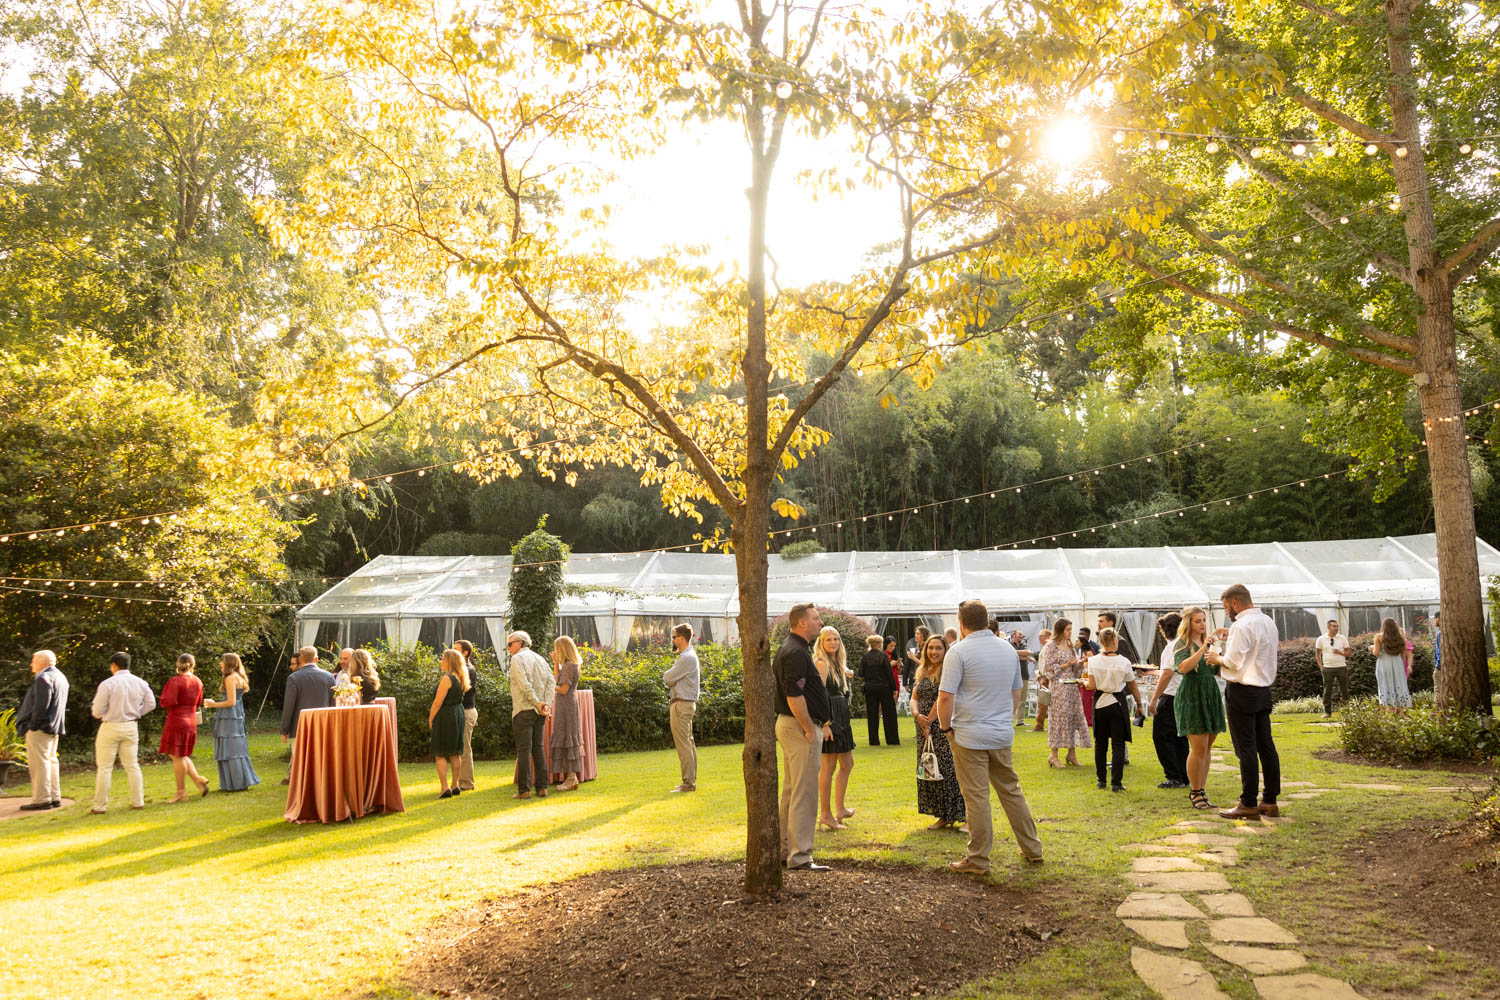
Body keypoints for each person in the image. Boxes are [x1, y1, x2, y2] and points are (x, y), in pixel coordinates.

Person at [936, 599, 1043, 873]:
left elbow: (946, 696)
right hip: (1000, 733)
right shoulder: (1007, 649)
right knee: (1011, 791)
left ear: (961, 623)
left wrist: (946, 728)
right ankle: (1033, 848)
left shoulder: (958, 651)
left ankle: (978, 858)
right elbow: (1016, 692)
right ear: (987, 620)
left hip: (969, 734)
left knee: (976, 797)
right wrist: (1005, 719)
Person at [1204, 584, 1282, 819]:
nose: (1227, 612)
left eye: (1226, 607)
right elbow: (1255, 650)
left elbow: (1234, 662)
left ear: (1235, 603)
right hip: (1263, 690)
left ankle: (1248, 802)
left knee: (1245, 748)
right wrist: (1230, 636)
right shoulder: (1267, 622)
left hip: (1242, 691)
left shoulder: (1241, 625)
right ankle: (1269, 800)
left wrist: (1215, 657)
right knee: (1266, 746)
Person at [774, 603, 831, 872]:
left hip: (792, 726)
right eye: (816, 618)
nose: (821, 622)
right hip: (799, 728)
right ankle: (799, 857)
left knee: (793, 791)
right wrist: (809, 728)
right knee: (804, 793)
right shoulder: (795, 652)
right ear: (802, 623)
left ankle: (786, 850)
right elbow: (793, 695)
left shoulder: (796, 648)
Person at [1171, 606, 1225, 810]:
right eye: (1198, 621)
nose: (1202, 624)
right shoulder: (1182, 644)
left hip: (1209, 692)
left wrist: (1220, 652)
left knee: (1208, 746)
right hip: (1192, 694)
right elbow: (1182, 668)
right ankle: (1194, 792)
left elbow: (1218, 669)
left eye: (1203, 620)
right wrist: (1203, 650)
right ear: (1189, 623)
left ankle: (1202, 789)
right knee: (1198, 746)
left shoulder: (1209, 643)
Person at [89, 651, 155, 814]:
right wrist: (137, 712)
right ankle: (138, 801)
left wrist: (100, 714)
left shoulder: (107, 684)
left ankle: (99, 806)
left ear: (114, 665)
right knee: (132, 765)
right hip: (130, 726)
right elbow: (151, 703)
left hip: (110, 725)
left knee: (105, 767)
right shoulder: (140, 682)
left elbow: (97, 710)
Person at [911, 633, 964, 831]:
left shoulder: (947, 670)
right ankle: (942, 815)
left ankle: (959, 814)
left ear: (945, 650)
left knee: (947, 770)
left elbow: (943, 697)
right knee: (930, 770)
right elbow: (914, 697)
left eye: (938, 648)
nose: (934, 652)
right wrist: (918, 716)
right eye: (930, 648)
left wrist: (930, 721)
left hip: (941, 726)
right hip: (923, 726)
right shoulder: (923, 670)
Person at [1083, 629, 1141, 793]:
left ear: (1101, 642)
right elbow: (1133, 685)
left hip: (1100, 703)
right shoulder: (1124, 662)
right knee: (1118, 744)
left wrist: (1084, 683)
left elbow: (1092, 686)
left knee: (1100, 744)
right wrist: (1140, 704)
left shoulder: (1093, 660)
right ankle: (1116, 783)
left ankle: (1101, 780)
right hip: (1117, 704)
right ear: (1115, 641)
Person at [813, 626, 856, 831]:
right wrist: (825, 723)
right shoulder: (821, 664)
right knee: (828, 767)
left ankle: (840, 810)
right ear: (821, 643)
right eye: (828, 640)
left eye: (835, 639)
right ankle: (825, 814)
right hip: (830, 719)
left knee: (847, 764)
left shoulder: (837, 663)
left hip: (842, 719)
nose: (832, 643)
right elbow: (818, 695)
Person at [16, 650, 68, 812]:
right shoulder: (60, 677)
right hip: (54, 727)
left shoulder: (43, 679)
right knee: (51, 762)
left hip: (41, 728)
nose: (31, 664)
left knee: (39, 764)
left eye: (33, 661)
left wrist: (33, 725)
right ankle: (54, 796)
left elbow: (41, 706)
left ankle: (42, 799)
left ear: (42, 663)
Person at [507, 630, 554, 800]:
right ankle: (542, 788)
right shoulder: (541, 659)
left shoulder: (517, 659)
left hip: (524, 709)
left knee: (524, 750)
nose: (508, 648)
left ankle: (524, 790)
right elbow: (551, 681)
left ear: (520, 643)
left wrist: (538, 703)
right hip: (539, 710)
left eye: (510, 644)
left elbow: (523, 683)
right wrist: (545, 704)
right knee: (538, 748)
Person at [203, 653, 260, 793]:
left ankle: (235, 783)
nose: (220, 664)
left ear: (228, 663)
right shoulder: (238, 677)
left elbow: (231, 702)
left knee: (230, 749)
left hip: (229, 717)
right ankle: (237, 782)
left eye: (222, 661)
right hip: (235, 716)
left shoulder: (230, 678)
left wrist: (213, 704)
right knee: (236, 749)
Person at [1145, 613, 1190, 790]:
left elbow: (1167, 674)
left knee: (1162, 736)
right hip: (1182, 695)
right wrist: (1151, 673)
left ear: (1165, 630)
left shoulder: (1171, 647)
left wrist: (1154, 698)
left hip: (1171, 696)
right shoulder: (1184, 645)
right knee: (1180, 737)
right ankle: (1184, 775)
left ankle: (1173, 776)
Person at [279, 646, 335, 784]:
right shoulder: (329, 677)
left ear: (300, 659)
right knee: (321, 755)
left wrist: (284, 729)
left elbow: (289, 705)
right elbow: (333, 703)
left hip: (300, 724)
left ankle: (300, 784)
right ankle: (320, 781)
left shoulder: (294, 678)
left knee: (299, 757)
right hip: (323, 724)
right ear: (316, 659)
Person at [159, 654, 209, 802]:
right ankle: (198, 780)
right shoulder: (198, 681)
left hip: (177, 720)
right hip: (190, 720)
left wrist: (163, 698)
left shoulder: (175, 681)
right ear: (193, 665)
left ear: (178, 664)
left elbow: (169, 701)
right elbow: (199, 701)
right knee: (179, 754)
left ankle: (181, 791)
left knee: (176, 755)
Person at [1039, 619, 1089, 767]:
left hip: (1072, 687)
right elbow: (1047, 669)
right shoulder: (1051, 646)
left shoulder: (1070, 645)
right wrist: (1064, 665)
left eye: (1070, 629)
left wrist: (1079, 664)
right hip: (1058, 688)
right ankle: (1053, 755)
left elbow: (1075, 670)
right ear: (1060, 630)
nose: (1070, 632)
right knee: (1059, 719)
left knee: (1073, 718)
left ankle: (1071, 753)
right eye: (1067, 629)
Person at [663, 623, 700, 793]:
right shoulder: (687, 656)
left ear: (682, 638)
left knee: (684, 744)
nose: (673, 640)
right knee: (688, 742)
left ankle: (688, 783)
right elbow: (671, 679)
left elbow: (668, 677)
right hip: (684, 703)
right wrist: (673, 679)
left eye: (674, 636)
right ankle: (689, 780)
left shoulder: (686, 658)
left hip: (681, 704)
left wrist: (673, 679)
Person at [429, 649, 469, 798]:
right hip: (458, 713)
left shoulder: (447, 679)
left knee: (440, 752)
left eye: (442, 659)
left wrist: (431, 718)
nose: (440, 661)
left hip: (445, 715)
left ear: (449, 661)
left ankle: (445, 787)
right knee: (455, 751)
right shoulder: (461, 677)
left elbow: (437, 702)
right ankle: (455, 784)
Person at [550, 636, 585, 790]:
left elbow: (563, 689)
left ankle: (571, 778)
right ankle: (570, 778)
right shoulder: (570, 665)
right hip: (567, 704)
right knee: (565, 737)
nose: (556, 652)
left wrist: (549, 686)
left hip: (566, 705)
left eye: (557, 649)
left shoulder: (570, 666)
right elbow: (559, 680)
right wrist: (555, 664)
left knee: (566, 737)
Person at [859, 634, 899, 746]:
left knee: (872, 715)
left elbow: (860, 673)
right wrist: (894, 688)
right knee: (889, 714)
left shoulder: (865, 657)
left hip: (870, 688)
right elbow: (889, 672)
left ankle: (874, 740)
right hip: (884, 687)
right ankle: (892, 740)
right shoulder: (883, 656)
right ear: (880, 644)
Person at [1371, 618, 1413, 709]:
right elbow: (1403, 654)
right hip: (1397, 662)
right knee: (1398, 684)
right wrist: (1401, 665)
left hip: (1384, 663)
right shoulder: (1400, 638)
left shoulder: (1379, 637)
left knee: (1384, 685)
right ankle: (1401, 709)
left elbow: (1376, 653)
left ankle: (1387, 709)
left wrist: (1371, 649)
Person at [453, 640, 478, 791]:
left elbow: (466, 692)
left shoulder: (468, 669)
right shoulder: (461, 669)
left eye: (456, 650)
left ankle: (467, 783)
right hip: (463, 710)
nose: (453, 652)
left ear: (465, 653)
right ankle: (461, 781)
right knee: (460, 748)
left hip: (466, 711)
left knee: (464, 748)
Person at [1314, 619, 1351, 718]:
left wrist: (1340, 652)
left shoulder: (1342, 638)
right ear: (1328, 627)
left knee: (1344, 690)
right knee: (1327, 691)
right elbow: (1317, 655)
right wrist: (1322, 668)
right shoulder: (1321, 639)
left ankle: (1346, 712)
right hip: (1328, 668)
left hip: (1341, 667)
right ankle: (1327, 712)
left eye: (1337, 626)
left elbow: (1349, 653)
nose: (1336, 628)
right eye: (1334, 626)